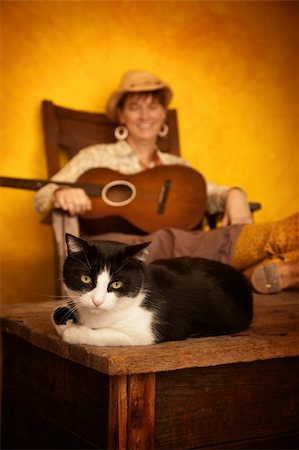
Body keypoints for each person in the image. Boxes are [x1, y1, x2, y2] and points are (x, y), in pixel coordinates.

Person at [34, 70, 299, 295]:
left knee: (190, 240)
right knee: (174, 240)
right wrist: (61, 192)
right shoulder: (95, 156)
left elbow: (209, 193)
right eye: (134, 107)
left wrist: (235, 194)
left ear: (163, 115)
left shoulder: (177, 165)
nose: (144, 115)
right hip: (118, 261)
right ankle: (260, 273)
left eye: (153, 106)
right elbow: (42, 195)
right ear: (121, 115)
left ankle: (271, 270)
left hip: (184, 249)